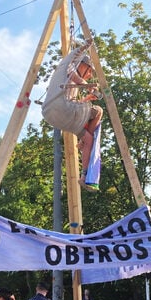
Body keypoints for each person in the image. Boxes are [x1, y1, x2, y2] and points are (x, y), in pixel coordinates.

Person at [41, 44, 103, 190]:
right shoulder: (69, 69)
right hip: (61, 109)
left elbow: (75, 103)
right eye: (89, 71)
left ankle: (84, 176)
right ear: (83, 65)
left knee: (89, 139)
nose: (88, 75)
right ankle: (82, 141)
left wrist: (87, 98)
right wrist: (87, 85)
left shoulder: (73, 85)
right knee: (99, 111)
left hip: (64, 116)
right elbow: (75, 76)